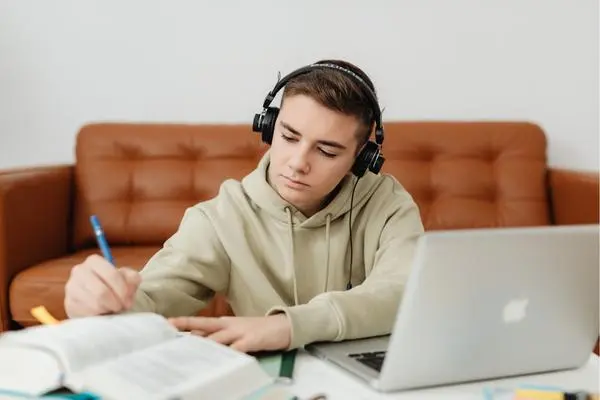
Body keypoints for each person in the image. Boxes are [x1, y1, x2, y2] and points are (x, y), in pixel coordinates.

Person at [63, 59, 425, 353]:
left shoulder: (389, 205)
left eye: (327, 150)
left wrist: (287, 326)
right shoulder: (221, 217)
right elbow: (152, 298)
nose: (298, 162)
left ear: (363, 158)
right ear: (268, 127)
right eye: (288, 136)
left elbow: (404, 291)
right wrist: (103, 303)